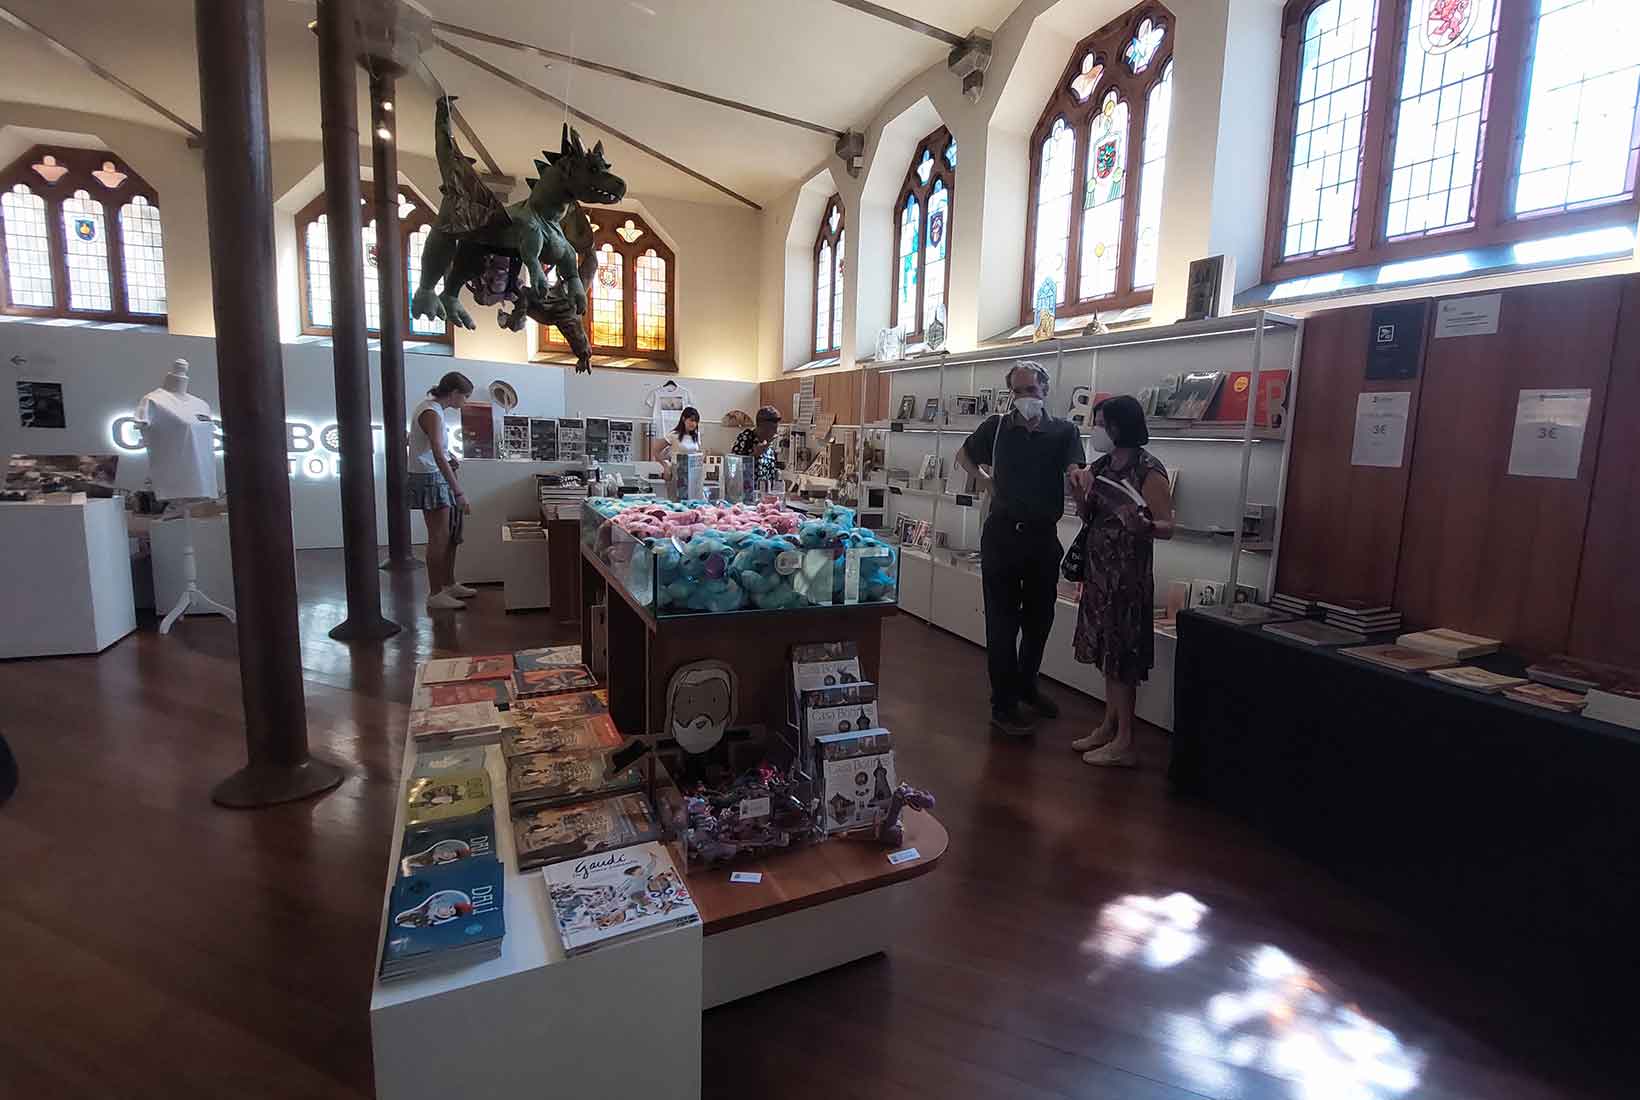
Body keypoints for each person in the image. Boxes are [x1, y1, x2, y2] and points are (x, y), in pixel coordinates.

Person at [954, 362, 1085, 734]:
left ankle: (1027, 685)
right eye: (1019, 391)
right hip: (1002, 535)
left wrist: (1078, 477)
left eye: (1032, 389)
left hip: (1043, 536)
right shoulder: (996, 428)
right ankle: (1003, 703)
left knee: (1040, 620)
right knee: (1001, 620)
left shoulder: (1063, 431)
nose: (1026, 397)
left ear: (1045, 389)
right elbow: (962, 455)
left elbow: (1075, 464)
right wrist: (984, 480)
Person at [1069, 394, 1174, 767]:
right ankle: (1110, 724)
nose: (1095, 429)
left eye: (1100, 422)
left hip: (1127, 576)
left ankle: (1126, 740)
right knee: (1106, 652)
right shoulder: (1102, 465)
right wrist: (1080, 495)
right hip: (1099, 572)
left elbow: (1167, 526)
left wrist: (1143, 525)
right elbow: (1089, 515)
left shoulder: (1148, 469)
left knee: (1122, 657)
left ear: (1118, 427)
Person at [408, 371, 475, 611]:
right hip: (430, 478)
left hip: (434, 476)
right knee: (439, 537)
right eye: (465, 397)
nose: (464, 402)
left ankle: (447, 583)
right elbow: (436, 452)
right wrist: (459, 492)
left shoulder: (431, 410)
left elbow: (436, 449)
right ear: (455, 393)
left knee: (448, 534)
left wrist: (450, 457)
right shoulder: (431, 413)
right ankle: (436, 592)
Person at [732, 405, 782, 489]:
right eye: (772, 429)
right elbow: (733, 471)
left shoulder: (769, 444)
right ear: (761, 426)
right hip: (745, 495)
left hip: (765, 495)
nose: (775, 432)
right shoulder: (746, 439)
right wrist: (754, 456)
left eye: (776, 429)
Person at [651, 406, 701, 479]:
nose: (693, 423)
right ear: (684, 419)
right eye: (691, 420)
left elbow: (697, 454)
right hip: (677, 473)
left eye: (696, 421)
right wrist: (665, 465)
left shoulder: (696, 435)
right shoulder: (674, 435)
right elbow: (655, 450)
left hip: (692, 473)